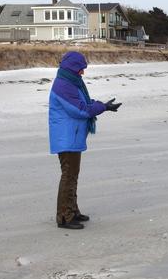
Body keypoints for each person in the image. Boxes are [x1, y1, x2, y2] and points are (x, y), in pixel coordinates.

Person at [49, 51, 120, 230]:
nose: (82, 72)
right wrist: (102, 107)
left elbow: (84, 103)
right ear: (72, 68)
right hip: (67, 137)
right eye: (80, 69)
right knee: (69, 175)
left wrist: (103, 105)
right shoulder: (63, 85)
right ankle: (65, 216)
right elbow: (79, 109)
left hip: (71, 135)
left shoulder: (72, 82)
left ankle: (72, 210)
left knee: (72, 175)